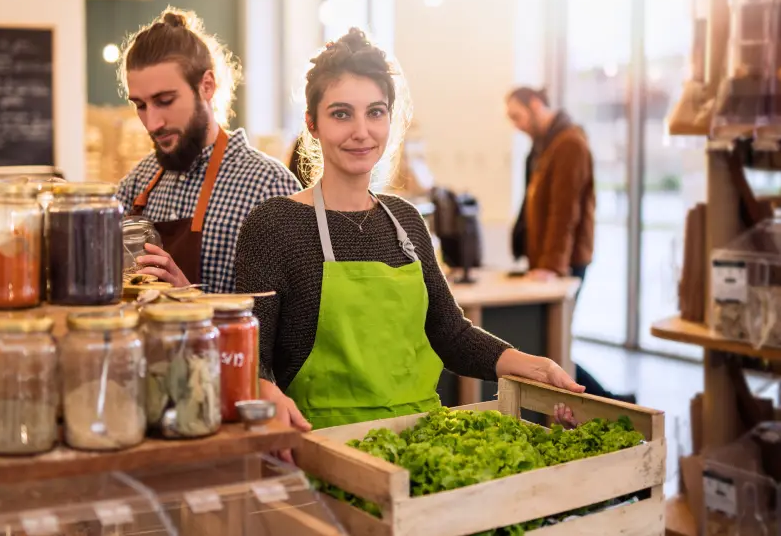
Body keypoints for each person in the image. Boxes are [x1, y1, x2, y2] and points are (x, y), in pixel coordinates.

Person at [235, 29, 584, 439]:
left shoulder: (405, 221)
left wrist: (529, 363)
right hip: (323, 447)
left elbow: (449, 333)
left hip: (420, 440)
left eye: (376, 112)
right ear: (312, 124)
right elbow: (250, 357)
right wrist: (265, 390)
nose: (361, 131)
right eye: (341, 113)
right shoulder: (273, 225)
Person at [116, 8, 301, 293]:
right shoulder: (137, 184)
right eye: (140, 105)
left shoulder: (269, 187)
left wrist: (189, 298)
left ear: (207, 86)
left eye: (164, 100)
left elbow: (288, 321)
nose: (152, 123)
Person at [506, 86, 636, 404]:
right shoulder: (546, 146)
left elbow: (565, 211)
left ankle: (608, 402)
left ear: (536, 105)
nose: (516, 125)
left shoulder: (569, 144)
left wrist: (551, 266)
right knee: (553, 342)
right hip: (551, 261)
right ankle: (611, 399)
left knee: (555, 342)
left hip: (564, 263)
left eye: (517, 116)